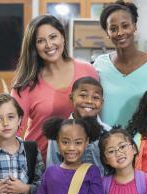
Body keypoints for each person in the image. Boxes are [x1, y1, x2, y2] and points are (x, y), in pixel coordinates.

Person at [9, 14, 98, 162]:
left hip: (83, 160)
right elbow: (13, 129)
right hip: (40, 163)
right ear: (34, 46)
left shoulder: (87, 70)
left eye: (53, 37)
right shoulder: (26, 84)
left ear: (63, 36)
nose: (49, 45)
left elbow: (96, 113)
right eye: (40, 41)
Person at [94, 0, 147, 127]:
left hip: (146, 142)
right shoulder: (99, 65)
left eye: (125, 26)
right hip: (108, 143)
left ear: (135, 26)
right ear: (107, 33)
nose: (120, 33)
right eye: (113, 29)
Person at [35, 117, 103, 194]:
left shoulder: (92, 171)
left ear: (86, 142)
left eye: (78, 142)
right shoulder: (50, 172)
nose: (71, 148)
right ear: (57, 141)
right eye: (65, 142)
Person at [46, 77, 111, 176]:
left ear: (101, 103)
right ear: (71, 97)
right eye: (83, 95)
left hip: (101, 190)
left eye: (95, 98)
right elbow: (52, 168)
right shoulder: (59, 131)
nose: (89, 101)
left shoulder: (108, 133)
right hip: (67, 189)